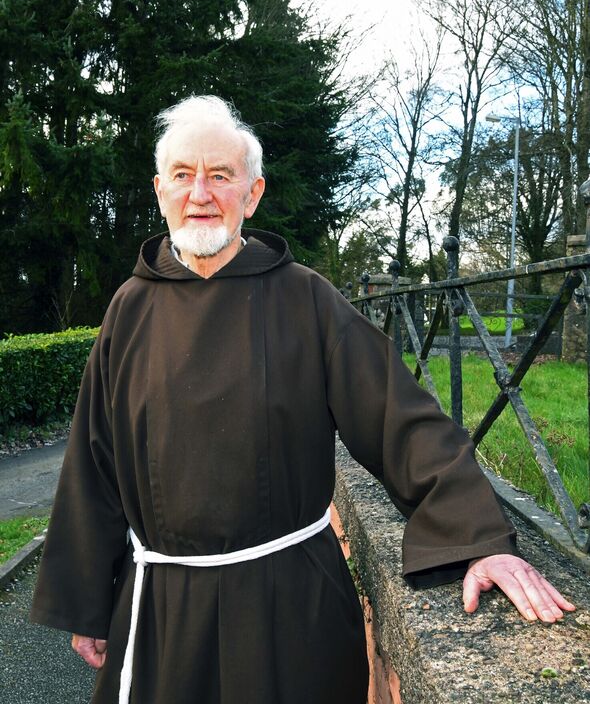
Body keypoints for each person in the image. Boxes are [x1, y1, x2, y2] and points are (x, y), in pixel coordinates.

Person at [30, 96, 575, 704]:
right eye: (183, 175)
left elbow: (400, 418)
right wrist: (87, 599)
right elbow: (94, 461)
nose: (200, 193)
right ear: (161, 192)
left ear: (253, 194)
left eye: (220, 175)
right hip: (162, 612)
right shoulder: (129, 310)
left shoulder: (307, 300)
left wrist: (479, 538)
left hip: (290, 609)